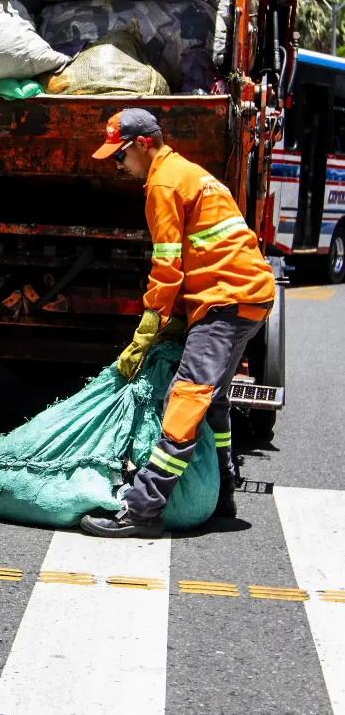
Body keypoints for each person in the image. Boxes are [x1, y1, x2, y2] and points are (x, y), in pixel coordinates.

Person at [80, 109, 275, 538]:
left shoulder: (163, 184)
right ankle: (223, 491)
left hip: (225, 299)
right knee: (216, 400)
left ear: (144, 144)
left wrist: (151, 322)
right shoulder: (188, 172)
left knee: (185, 397)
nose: (118, 165)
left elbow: (166, 265)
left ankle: (144, 508)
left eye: (121, 155)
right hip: (251, 296)